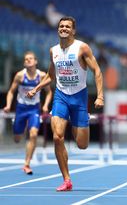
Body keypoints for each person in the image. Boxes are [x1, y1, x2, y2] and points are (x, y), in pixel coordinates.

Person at [27, 16, 104, 191]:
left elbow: (97, 71)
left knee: (82, 145)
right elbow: (50, 76)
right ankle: (67, 179)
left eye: (67, 26)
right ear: (58, 30)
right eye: (61, 26)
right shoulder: (53, 50)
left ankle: (83, 118)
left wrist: (100, 96)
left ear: (73, 30)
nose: (64, 29)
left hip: (79, 98)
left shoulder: (81, 48)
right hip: (61, 97)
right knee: (57, 136)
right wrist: (36, 88)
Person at [3, 51, 52, 175]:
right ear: (24, 63)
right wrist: (8, 105)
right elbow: (11, 91)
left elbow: (49, 92)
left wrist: (45, 105)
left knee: (34, 134)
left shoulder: (41, 76)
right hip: (21, 108)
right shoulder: (20, 76)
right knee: (17, 139)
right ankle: (21, 128)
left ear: (36, 61)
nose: (28, 61)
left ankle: (27, 164)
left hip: (34, 109)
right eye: (26, 59)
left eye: (30, 59)